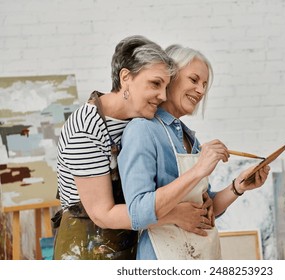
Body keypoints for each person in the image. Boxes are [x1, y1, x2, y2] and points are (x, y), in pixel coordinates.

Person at [53, 35, 212, 260]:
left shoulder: (137, 120)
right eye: (155, 84)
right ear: (126, 77)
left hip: (126, 244)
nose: (163, 96)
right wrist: (174, 214)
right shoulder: (86, 126)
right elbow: (102, 214)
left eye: (166, 86)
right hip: (86, 249)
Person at [118, 44, 270, 260]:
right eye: (194, 79)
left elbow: (204, 212)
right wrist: (199, 169)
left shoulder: (189, 138)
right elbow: (138, 213)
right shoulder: (142, 130)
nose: (201, 90)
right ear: (170, 76)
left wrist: (238, 186)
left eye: (205, 84)